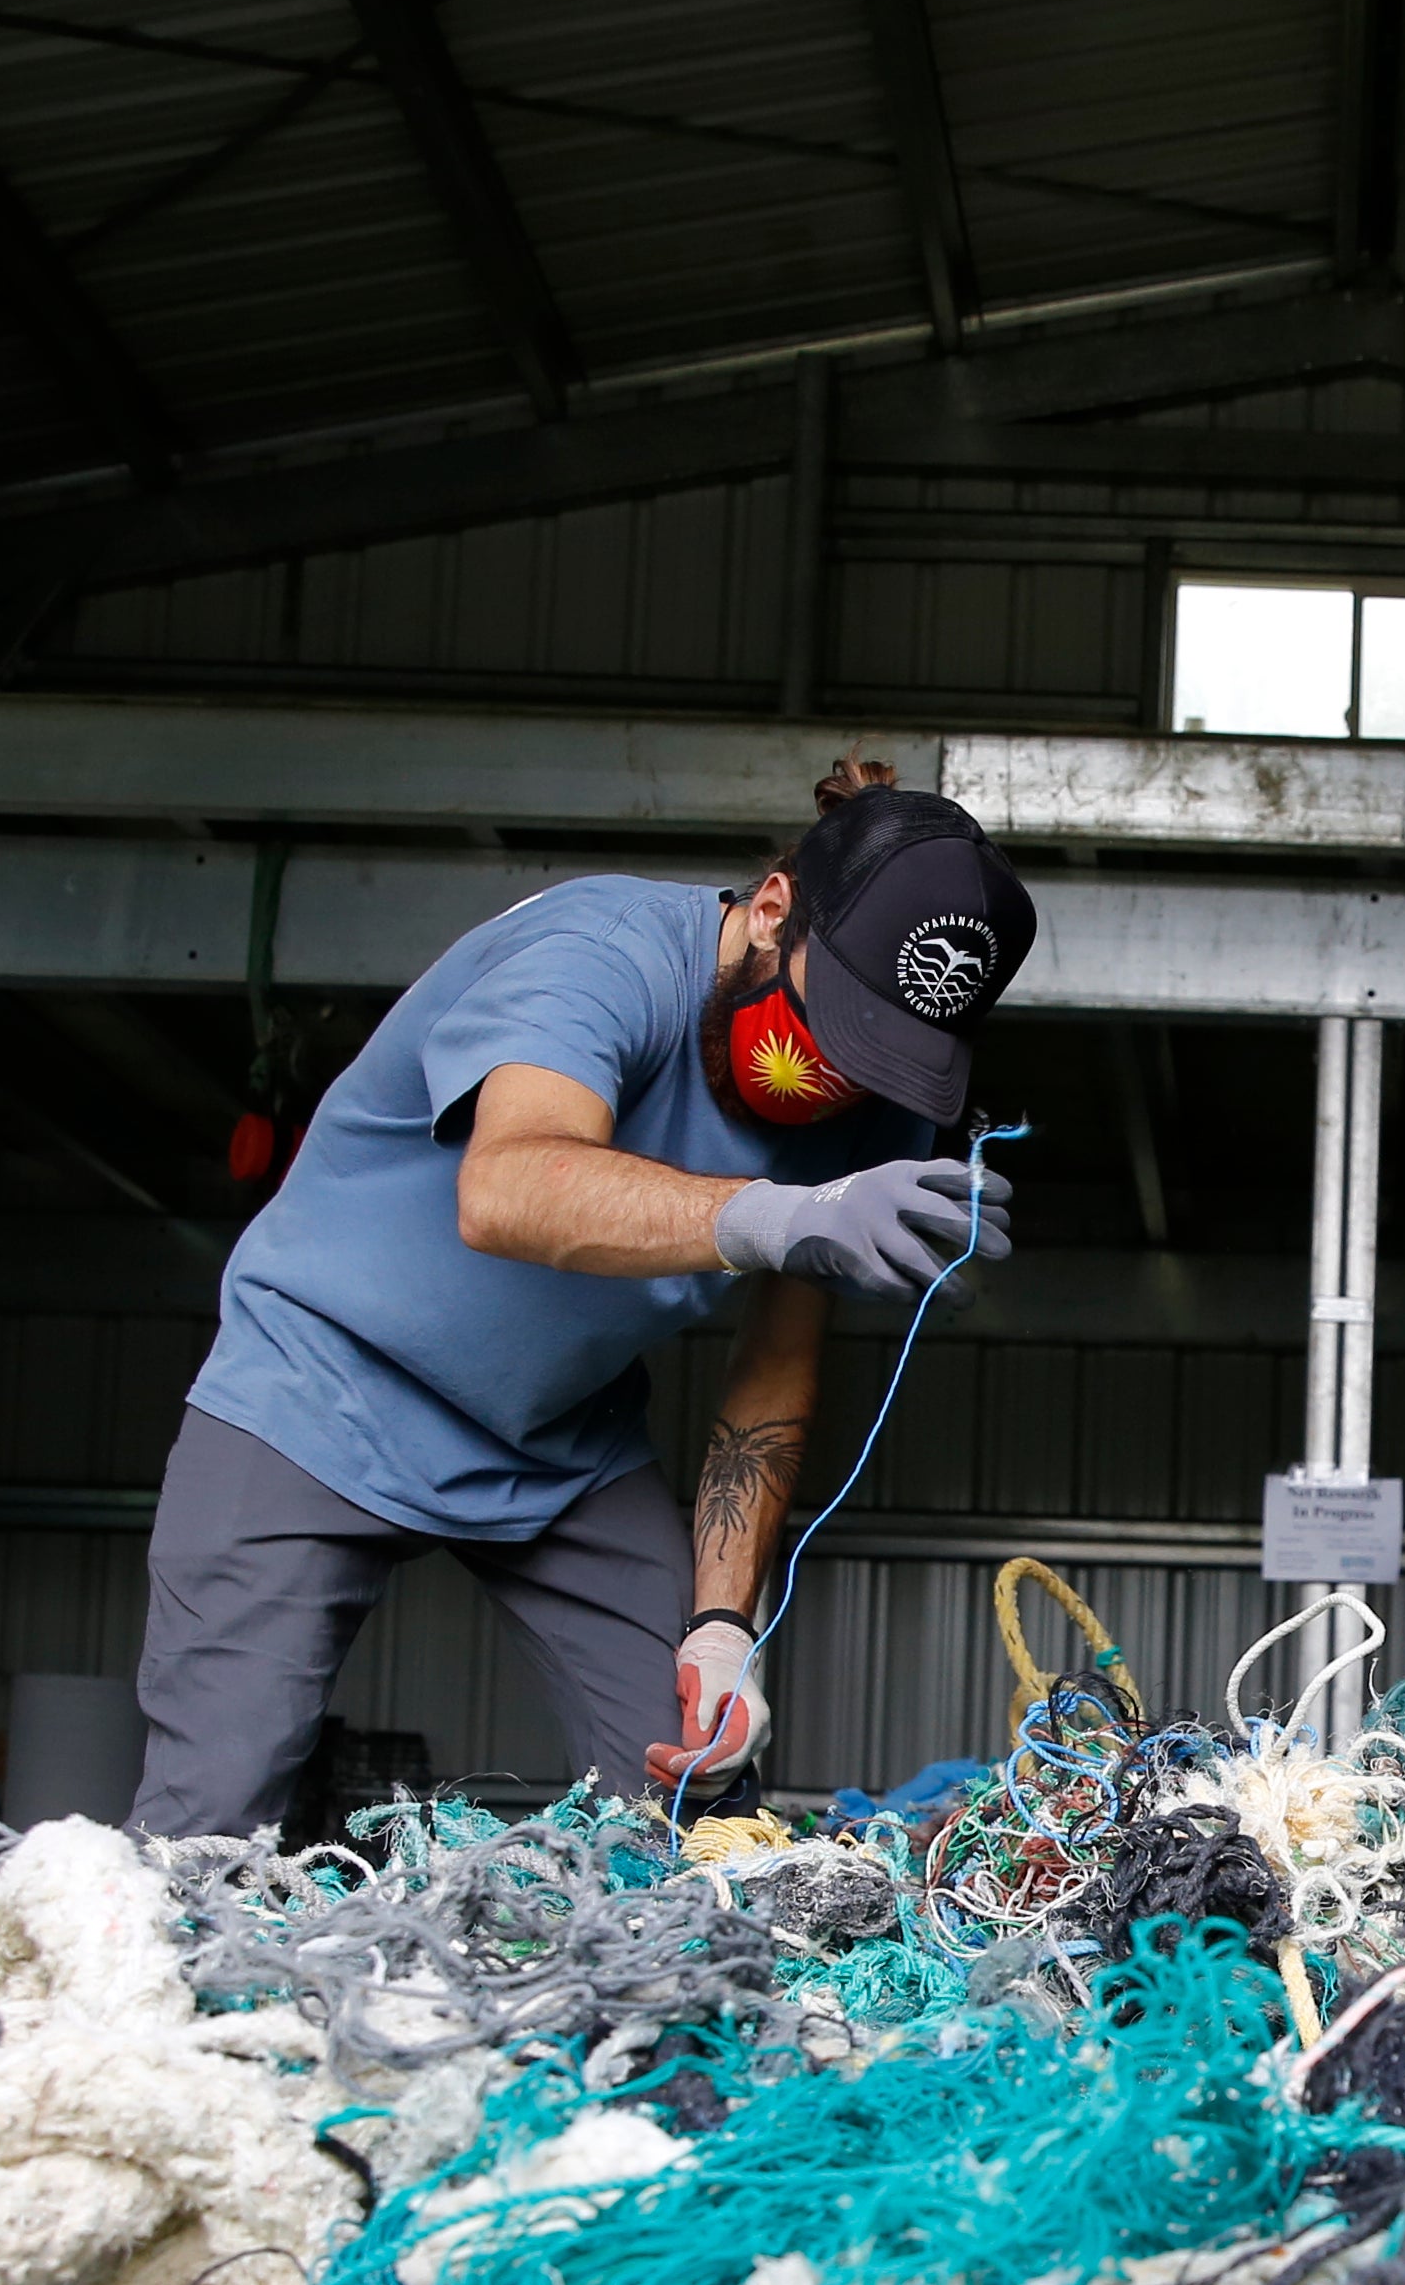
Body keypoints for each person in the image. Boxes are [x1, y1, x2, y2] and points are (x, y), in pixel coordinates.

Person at [129, 759, 1035, 1839]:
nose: (835, 1081)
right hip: (319, 1388)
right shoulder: (595, 955)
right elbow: (508, 1187)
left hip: (557, 1439)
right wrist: (783, 1214)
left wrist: (717, 1627)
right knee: (209, 1819)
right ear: (773, 907)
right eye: (829, 1023)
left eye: (878, 1053)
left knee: (699, 1797)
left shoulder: (878, 1093)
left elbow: (773, 1370)